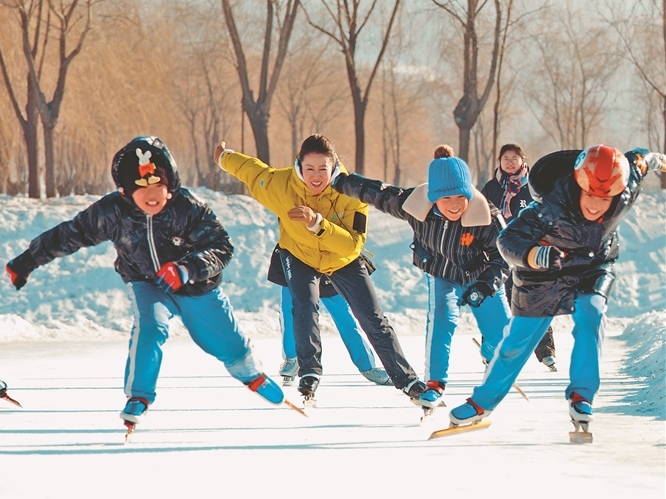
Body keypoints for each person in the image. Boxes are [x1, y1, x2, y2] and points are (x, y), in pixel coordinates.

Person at [5, 136, 285, 428]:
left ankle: (249, 373)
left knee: (223, 341)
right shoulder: (112, 212)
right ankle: (139, 396)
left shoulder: (188, 208)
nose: (152, 195)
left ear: (170, 185)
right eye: (142, 189)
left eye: (158, 187)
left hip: (197, 286)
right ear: (126, 191)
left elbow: (221, 245)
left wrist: (188, 268)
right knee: (150, 327)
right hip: (146, 283)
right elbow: (70, 234)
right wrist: (27, 261)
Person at [449, 145, 666, 429]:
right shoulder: (550, 208)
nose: (595, 206)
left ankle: (582, 395)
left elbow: (640, 159)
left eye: (605, 199)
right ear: (579, 184)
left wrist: (660, 161)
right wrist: (533, 255)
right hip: (541, 273)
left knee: (592, 312)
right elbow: (507, 240)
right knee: (517, 342)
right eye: (589, 195)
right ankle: (482, 402)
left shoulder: (625, 189)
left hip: (591, 266)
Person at [214, 134, 424, 403]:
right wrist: (224, 157)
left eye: (323, 169)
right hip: (298, 254)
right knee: (304, 304)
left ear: (333, 167)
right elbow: (252, 171)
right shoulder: (281, 185)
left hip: (342, 258)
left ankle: (407, 380)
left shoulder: (351, 191)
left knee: (371, 316)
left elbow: (352, 245)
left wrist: (317, 224)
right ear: (299, 167)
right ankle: (309, 372)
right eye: (309, 169)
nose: (316, 176)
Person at [333, 148, 511, 412]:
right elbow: (377, 193)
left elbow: (504, 256)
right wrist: (339, 181)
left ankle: (489, 350)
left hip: (481, 278)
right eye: (446, 198)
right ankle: (435, 384)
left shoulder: (486, 216)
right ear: (434, 197)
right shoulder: (415, 206)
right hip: (442, 275)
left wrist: (485, 285)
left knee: (502, 334)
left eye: (461, 197)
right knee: (442, 320)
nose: (454, 204)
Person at [266, 246, 391, 386]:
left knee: (345, 316)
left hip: (330, 259)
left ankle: (367, 366)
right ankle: (292, 358)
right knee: (289, 310)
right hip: (296, 256)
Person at [481, 143, 557, 371]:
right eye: (506, 158)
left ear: (523, 161)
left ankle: (545, 350)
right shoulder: (491, 188)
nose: (510, 162)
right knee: (496, 301)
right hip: (498, 252)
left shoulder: (534, 186)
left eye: (514, 158)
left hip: (527, 251)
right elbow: (480, 218)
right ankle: (492, 350)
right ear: (499, 161)